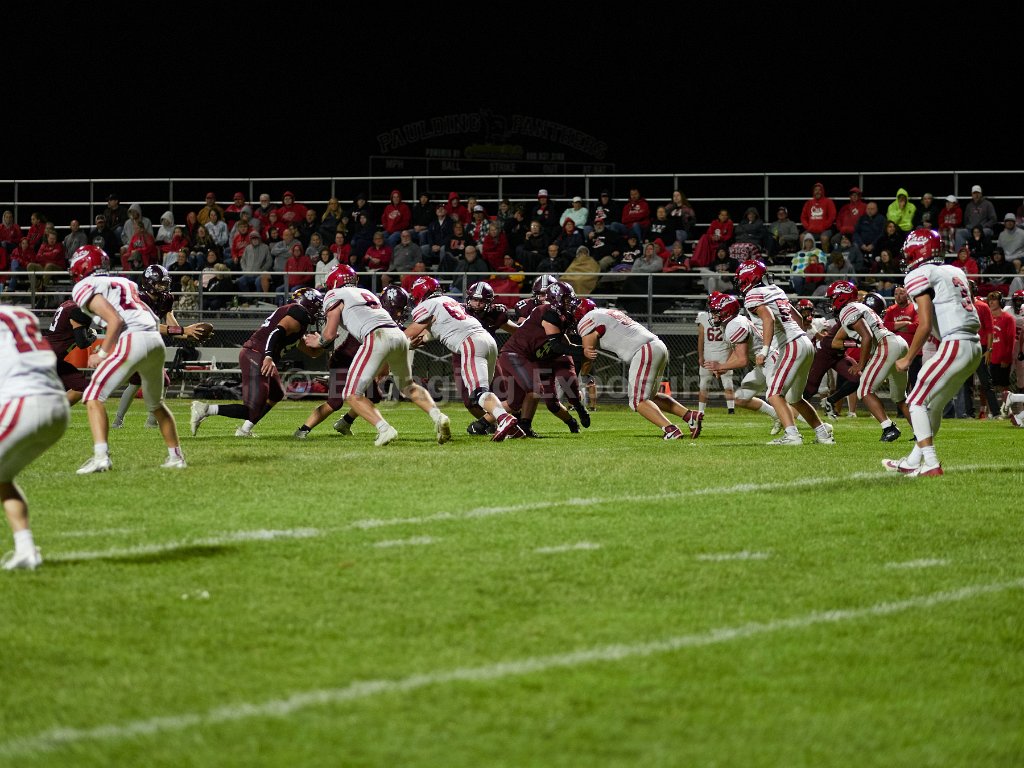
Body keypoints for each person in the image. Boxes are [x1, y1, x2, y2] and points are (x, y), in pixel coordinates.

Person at [296, 265, 451, 446]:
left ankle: (384, 429)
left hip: (376, 335)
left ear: (334, 281)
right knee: (408, 386)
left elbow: (329, 334)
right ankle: (438, 416)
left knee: (351, 394)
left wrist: (318, 342)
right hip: (399, 336)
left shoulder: (334, 294)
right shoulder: (366, 293)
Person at [67, 246, 187, 473]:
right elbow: (152, 318)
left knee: (92, 396)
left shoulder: (84, 286)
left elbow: (115, 321)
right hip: (155, 341)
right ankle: (176, 457)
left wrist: (102, 354)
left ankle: (101, 458)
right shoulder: (125, 282)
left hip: (133, 338)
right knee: (156, 404)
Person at [884, 229, 982, 476]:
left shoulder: (920, 273)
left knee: (915, 400)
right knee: (934, 405)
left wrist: (907, 358)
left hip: (955, 342)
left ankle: (931, 463)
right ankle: (912, 461)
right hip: (973, 345)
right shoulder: (955, 271)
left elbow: (925, 324)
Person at [191, 289, 325, 439]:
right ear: (308, 304)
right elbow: (275, 332)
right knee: (252, 410)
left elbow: (312, 353)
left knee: (276, 393)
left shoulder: (297, 320)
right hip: (257, 354)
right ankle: (205, 409)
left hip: (259, 354)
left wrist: (326, 342)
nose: (319, 312)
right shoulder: (297, 313)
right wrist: (268, 356)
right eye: (318, 307)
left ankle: (244, 431)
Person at [403, 276, 523, 440]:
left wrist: (395, 342)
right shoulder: (449, 301)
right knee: (483, 392)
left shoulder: (428, 305)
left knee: (479, 393)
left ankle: (504, 419)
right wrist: (416, 341)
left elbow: (408, 334)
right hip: (488, 342)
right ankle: (512, 429)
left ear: (420, 294)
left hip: (470, 343)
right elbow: (436, 330)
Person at [0, 305, 71, 571]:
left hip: (22, 402)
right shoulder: (21, 315)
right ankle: (26, 551)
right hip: (57, 406)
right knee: (3, 479)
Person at [735, 259, 835, 445]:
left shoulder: (753, 294)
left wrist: (765, 350)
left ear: (749, 278)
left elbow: (769, 319)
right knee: (794, 398)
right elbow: (797, 317)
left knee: (774, 393)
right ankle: (823, 434)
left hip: (791, 343)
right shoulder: (776, 290)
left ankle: (792, 436)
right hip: (804, 342)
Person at [574, 297, 702, 439]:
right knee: (650, 397)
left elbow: (589, 354)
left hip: (644, 350)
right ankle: (689, 416)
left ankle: (671, 430)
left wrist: (584, 376)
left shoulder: (588, 319)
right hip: (658, 346)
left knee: (637, 401)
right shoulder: (606, 312)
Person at [293, 283, 408, 441]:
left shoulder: (378, 317)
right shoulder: (372, 317)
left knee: (374, 396)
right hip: (344, 361)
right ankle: (303, 430)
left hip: (360, 361)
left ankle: (345, 423)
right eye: (399, 308)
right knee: (335, 402)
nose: (400, 312)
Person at [112, 264, 213, 429]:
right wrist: (184, 330)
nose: (163, 287)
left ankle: (123, 422)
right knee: (157, 381)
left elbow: (172, 326)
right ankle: (144, 422)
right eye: (160, 284)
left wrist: (189, 334)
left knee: (138, 383)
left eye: (165, 283)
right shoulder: (139, 299)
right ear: (149, 283)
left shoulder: (166, 298)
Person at [493, 280, 588, 437]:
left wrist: (576, 347)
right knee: (544, 399)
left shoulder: (563, 313)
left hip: (552, 355)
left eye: (569, 298)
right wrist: (581, 351)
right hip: (536, 357)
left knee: (567, 382)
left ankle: (578, 408)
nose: (569, 302)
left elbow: (561, 337)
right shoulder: (542, 311)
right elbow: (550, 340)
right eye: (541, 294)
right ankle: (490, 423)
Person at [826, 281, 910, 441]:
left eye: (833, 298)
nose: (831, 302)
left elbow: (867, 336)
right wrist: (858, 344)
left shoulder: (848, 309)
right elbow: (839, 342)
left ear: (841, 297)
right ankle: (921, 432)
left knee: (864, 390)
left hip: (886, 344)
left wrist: (861, 364)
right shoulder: (860, 307)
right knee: (900, 397)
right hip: (897, 343)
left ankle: (889, 428)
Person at [702, 292, 784, 434]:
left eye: (716, 312)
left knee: (785, 399)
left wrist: (721, 366)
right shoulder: (732, 323)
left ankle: (811, 429)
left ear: (726, 311)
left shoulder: (735, 325)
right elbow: (737, 352)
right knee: (740, 398)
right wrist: (724, 367)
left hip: (772, 362)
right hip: (762, 364)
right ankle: (777, 416)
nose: (713, 315)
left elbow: (742, 360)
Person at [696, 298, 735, 414]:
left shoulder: (725, 317)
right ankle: (701, 411)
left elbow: (732, 341)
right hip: (712, 355)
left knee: (726, 384)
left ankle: (730, 410)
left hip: (720, 354)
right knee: (705, 384)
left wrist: (729, 359)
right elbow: (701, 338)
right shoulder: (705, 316)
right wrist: (701, 356)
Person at [883, 285, 922, 389]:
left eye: (901, 293)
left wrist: (896, 327)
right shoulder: (891, 310)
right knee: (900, 386)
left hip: (914, 351)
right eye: (896, 294)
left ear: (907, 294)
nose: (898, 296)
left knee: (915, 383)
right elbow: (885, 326)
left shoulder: (915, 308)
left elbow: (917, 326)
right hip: (897, 352)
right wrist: (905, 323)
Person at [986, 292, 1016, 413]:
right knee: (988, 386)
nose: (991, 302)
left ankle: (1006, 410)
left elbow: (1011, 340)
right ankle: (991, 411)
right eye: (990, 300)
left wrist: (1006, 358)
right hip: (988, 357)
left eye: (994, 299)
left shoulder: (1008, 318)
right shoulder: (987, 318)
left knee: (1003, 386)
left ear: (1001, 302)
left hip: (1001, 357)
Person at [955, 185, 998, 252]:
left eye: (978, 193)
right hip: (971, 230)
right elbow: (966, 220)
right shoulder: (969, 205)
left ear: (981, 194)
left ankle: (981, 252)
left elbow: (993, 219)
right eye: (974, 193)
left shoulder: (988, 204)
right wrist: (970, 227)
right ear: (972, 195)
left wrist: (983, 226)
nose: (976, 195)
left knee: (984, 232)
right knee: (959, 232)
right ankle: (960, 253)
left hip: (984, 229)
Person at [800, 181, 836, 252]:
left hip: (825, 229)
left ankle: (825, 256)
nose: (818, 192)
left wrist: (823, 226)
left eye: (820, 190)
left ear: (822, 191)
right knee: (802, 237)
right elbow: (803, 217)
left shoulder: (828, 202)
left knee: (824, 238)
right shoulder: (808, 203)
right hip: (812, 230)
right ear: (813, 192)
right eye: (816, 190)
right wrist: (808, 227)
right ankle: (805, 256)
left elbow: (832, 216)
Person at [237, 230, 272, 298]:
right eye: (253, 239)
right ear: (250, 240)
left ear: (259, 239)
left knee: (258, 282)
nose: (255, 240)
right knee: (240, 281)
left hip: (259, 274)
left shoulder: (265, 247)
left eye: (256, 238)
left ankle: (259, 299)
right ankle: (249, 298)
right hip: (248, 274)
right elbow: (242, 260)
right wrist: (245, 270)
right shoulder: (248, 248)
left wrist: (262, 269)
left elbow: (269, 261)